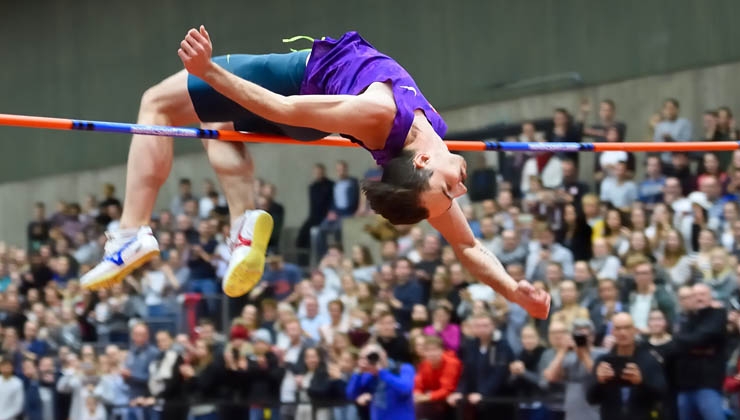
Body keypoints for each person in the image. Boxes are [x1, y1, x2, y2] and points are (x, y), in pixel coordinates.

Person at [80, 26, 550, 319]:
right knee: (216, 119)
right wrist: (514, 290)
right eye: (453, 191)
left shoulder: (382, 115)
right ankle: (242, 222)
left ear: (422, 164)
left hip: (292, 87)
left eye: (451, 190)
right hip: (305, 115)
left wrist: (208, 70)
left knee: (156, 105)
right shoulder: (415, 148)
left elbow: (284, 105)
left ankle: (130, 231)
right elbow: (466, 244)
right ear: (422, 162)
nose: (461, 188)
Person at [586, 313, 667, 420]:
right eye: (618, 328)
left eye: (627, 328)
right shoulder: (603, 361)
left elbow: (662, 394)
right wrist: (599, 382)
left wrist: (641, 382)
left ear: (634, 330)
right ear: (612, 332)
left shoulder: (649, 359)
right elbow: (591, 399)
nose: (622, 332)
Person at [346, 344, 415, 420]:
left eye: (374, 355)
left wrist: (381, 372)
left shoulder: (403, 368)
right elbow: (351, 395)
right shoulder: (369, 375)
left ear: (384, 353)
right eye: (366, 358)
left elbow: (406, 389)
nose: (372, 359)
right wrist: (358, 372)